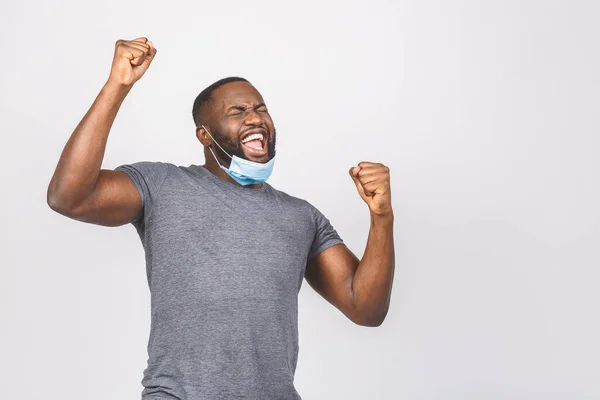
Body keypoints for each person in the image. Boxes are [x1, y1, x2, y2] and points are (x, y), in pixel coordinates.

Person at [47, 37, 395, 400]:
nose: (255, 118)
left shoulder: (301, 216)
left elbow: (365, 308)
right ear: (204, 134)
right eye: (238, 111)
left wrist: (381, 217)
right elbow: (69, 197)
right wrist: (116, 86)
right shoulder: (162, 185)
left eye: (261, 108)